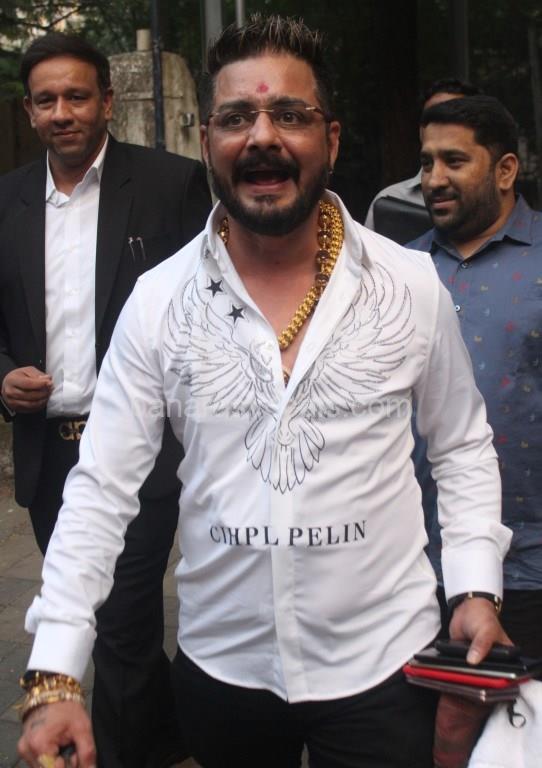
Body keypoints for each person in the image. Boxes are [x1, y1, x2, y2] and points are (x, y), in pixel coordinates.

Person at [18, 16, 511, 768]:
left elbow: (462, 446)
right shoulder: (158, 302)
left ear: (331, 139)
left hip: (385, 665)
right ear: (206, 141)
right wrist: (55, 669)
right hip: (224, 672)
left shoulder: (409, 285)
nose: (262, 136)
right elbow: (101, 489)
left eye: (290, 114)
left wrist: (475, 588)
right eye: (236, 117)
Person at [0, 32, 211, 767]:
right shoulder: (7, 199)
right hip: (46, 454)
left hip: (139, 452)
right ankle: (168, 736)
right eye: (46, 100)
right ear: (29, 111)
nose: (62, 112)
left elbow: (210, 305)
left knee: (121, 621)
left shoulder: (169, 185)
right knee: (94, 611)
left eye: (76, 96)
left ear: (108, 101)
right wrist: (4, 376)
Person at [407, 94, 542, 659]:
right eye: (426, 162)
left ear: (505, 170)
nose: (433, 179)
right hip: (412, 572)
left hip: (529, 572)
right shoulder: (397, 272)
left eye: (454, 161)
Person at [364, 78, 480, 232]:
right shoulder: (389, 201)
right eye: (431, 119)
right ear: (421, 131)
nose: (441, 127)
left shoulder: (495, 201)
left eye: (454, 117)